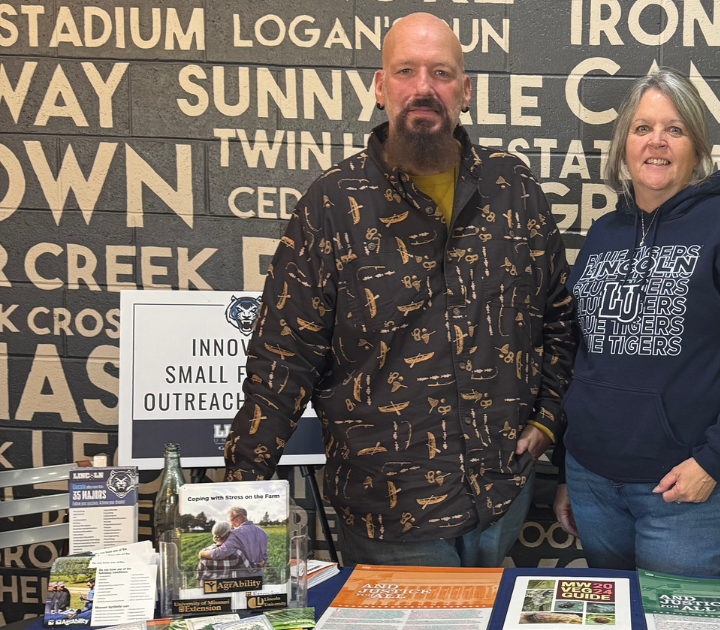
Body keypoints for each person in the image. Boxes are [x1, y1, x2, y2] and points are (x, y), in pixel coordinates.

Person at [223, 12, 576, 568]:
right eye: (405, 71)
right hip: (389, 517)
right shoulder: (333, 205)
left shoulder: (514, 190)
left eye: (440, 73)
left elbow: (558, 320)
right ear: (380, 87)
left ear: (466, 90)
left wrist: (545, 421)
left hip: (502, 498)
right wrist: (238, 490)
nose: (423, 88)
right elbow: (283, 358)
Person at [552, 68, 720, 576]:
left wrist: (714, 462)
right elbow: (580, 358)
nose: (657, 142)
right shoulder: (603, 234)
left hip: (684, 492)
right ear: (624, 145)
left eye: (675, 129)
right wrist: (566, 469)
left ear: (696, 146)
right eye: (642, 128)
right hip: (592, 483)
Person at [199, 507, 269, 572]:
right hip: (259, 575)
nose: (232, 523)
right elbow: (265, 556)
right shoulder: (263, 533)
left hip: (243, 577)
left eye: (232, 520)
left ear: (241, 516)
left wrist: (202, 553)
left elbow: (221, 552)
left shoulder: (235, 533)